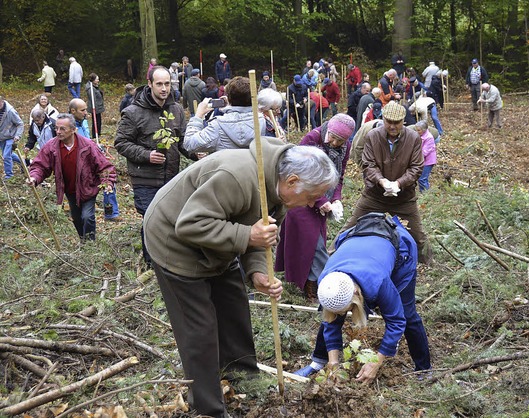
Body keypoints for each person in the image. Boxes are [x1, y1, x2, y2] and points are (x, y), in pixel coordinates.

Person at [144, 138, 339, 417]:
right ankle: (208, 406)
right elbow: (189, 224)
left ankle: (244, 379)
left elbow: (263, 234)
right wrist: (247, 236)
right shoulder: (236, 178)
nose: (310, 204)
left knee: (235, 310)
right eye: (310, 197)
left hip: (218, 243)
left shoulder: (280, 188)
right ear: (292, 180)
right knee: (199, 330)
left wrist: (257, 271)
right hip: (175, 243)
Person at [293, 213, 431, 381]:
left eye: (349, 309)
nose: (345, 314)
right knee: (331, 316)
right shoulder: (328, 283)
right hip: (358, 239)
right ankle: (318, 362)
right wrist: (334, 363)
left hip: (399, 250)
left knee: (407, 314)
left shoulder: (378, 282)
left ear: (356, 295)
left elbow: (396, 321)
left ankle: (423, 369)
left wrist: (376, 362)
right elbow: (330, 321)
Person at [115, 66, 194, 263]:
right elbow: (121, 142)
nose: (164, 89)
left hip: (171, 177)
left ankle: (170, 260)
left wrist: (197, 154)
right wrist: (146, 155)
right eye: (159, 84)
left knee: (171, 220)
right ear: (149, 84)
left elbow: (182, 140)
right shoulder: (133, 112)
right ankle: (152, 264)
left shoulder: (175, 109)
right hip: (145, 178)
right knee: (152, 220)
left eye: (167, 84)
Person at [275, 114, 355, 299]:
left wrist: (335, 199)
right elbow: (297, 173)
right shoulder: (312, 138)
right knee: (313, 243)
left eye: (340, 140)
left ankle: (310, 284)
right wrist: (321, 201)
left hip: (321, 200)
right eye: (332, 137)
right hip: (300, 198)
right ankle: (327, 285)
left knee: (316, 241)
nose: (334, 143)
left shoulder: (346, 147)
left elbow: (339, 176)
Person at [340, 101, 428, 264]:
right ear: (383, 119)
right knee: (349, 228)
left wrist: (399, 184)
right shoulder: (373, 136)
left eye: (397, 123)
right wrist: (382, 181)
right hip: (374, 196)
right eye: (389, 122)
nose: (393, 126)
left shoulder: (413, 138)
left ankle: (427, 266)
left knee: (419, 236)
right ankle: (331, 259)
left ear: (403, 121)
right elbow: (368, 164)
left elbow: (416, 167)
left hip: (404, 198)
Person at [27, 114, 116, 241]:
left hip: (88, 188)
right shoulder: (51, 147)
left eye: (62, 129)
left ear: (74, 129)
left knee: (87, 216)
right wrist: (34, 178)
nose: (58, 132)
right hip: (69, 190)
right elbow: (40, 165)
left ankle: (90, 244)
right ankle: (83, 240)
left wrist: (107, 182)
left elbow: (104, 166)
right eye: (56, 128)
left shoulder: (88, 145)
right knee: (77, 218)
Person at [184, 76, 267, 153]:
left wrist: (198, 116)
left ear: (229, 97)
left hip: (226, 168)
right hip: (253, 168)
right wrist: (230, 107)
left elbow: (189, 144)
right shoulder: (262, 120)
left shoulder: (218, 125)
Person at [0, 96, 25, 180]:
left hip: (11, 136)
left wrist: (17, 135)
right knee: (9, 154)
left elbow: (20, 124)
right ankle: (23, 163)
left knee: (6, 156)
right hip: (1, 137)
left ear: (2, 101)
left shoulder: (10, 111)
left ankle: (9, 176)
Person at [415, 121, 436, 192]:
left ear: (423, 130)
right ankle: (424, 192)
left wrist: (414, 156)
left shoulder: (429, 138)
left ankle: (425, 194)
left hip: (428, 161)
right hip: (422, 160)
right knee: (422, 178)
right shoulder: (420, 135)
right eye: (416, 130)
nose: (417, 131)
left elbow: (424, 152)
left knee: (422, 178)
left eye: (418, 130)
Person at [85, 73, 105, 138]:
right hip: (95, 108)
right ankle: (95, 135)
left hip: (98, 107)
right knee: (96, 122)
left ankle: (98, 133)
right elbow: (92, 99)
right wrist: (96, 109)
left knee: (98, 121)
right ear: (93, 80)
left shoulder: (95, 86)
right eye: (97, 79)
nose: (98, 80)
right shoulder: (90, 88)